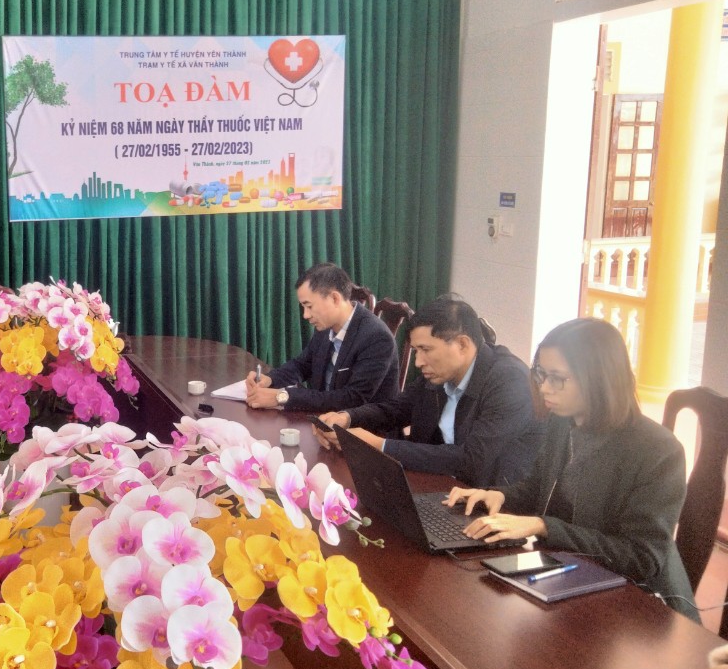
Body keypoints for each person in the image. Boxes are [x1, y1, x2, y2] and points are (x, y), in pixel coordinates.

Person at [444, 318, 697, 620]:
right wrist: (498, 495)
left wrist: (544, 526)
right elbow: (538, 488)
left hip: (638, 607)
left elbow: (641, 557)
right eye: (541, 374)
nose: (544, 388)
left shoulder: (658, 450)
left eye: (557, 378)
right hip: (571, 576)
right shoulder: (562, 422)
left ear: (599, 379)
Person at [316, 295, 540, 487]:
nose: (418, 362)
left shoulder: (510, 382)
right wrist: (348, 417)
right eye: (416, 351)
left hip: (489, 502)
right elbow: (396, 409)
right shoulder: (441, 373)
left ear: (462, 345)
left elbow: (471, 459)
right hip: (437, 486)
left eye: (426, 350)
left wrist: (379, 445)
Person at [244, 263, 398, 413]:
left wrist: (282, 397)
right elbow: (302, 365)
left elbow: (352, 398)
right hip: (322, 416)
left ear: (335, 298)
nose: (305, 315)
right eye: (303, 307)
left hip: (359, 426)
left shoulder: (377, 337)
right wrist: (270, 379)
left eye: (309, 306)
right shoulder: (326, 325)